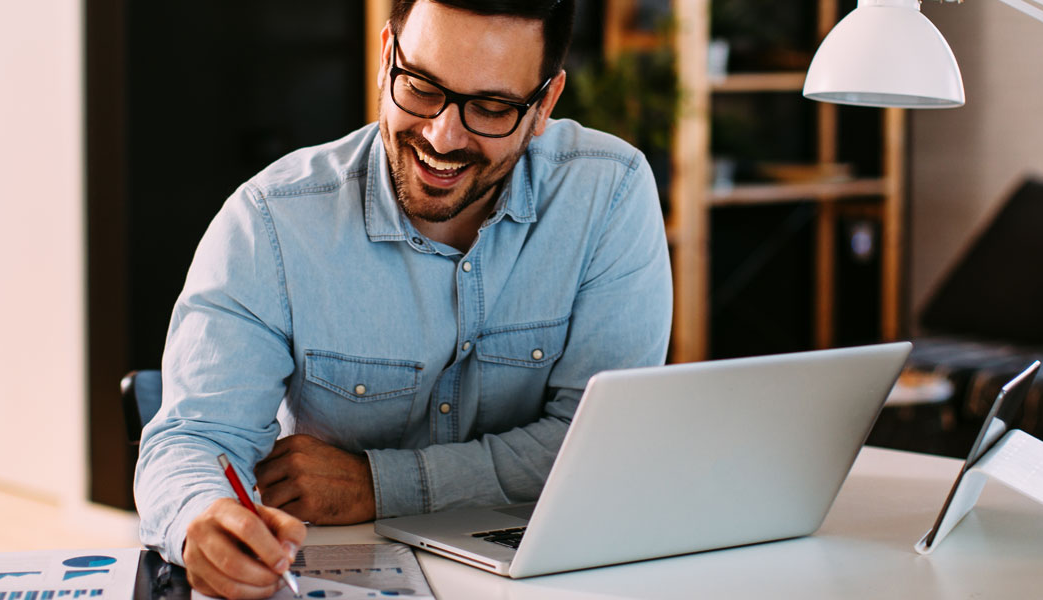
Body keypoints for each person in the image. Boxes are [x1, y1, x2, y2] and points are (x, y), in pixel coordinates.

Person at [134, 0, 672, 597]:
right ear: (388, 56)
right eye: (420, 87)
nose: (443, 136)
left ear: (544, 104)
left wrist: (379, 483)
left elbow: (593, 447)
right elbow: (193, 440)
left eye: (492, 107)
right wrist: (201, 519)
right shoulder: (271, 222)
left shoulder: (609, 193)